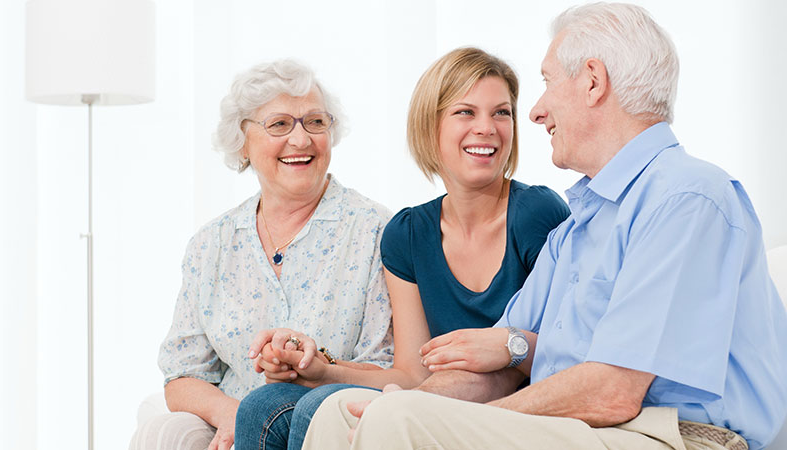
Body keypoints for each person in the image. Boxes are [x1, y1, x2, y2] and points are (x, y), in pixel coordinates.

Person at [302, 3, 787, 450]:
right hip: (586, 426)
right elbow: (500, 364)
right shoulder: (576, 230)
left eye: (548, 82)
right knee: (342, 415)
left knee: (399, 421)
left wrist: (447, 420)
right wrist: (414, 401)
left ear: (593, 81)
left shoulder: (686, 197)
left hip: (675, 434)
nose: (535, 111)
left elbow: (613, 392)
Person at [234, 48, 570, 450]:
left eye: (501, 113)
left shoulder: (536, 214)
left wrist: (503, 349)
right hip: (437, 398)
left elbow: (568, 352)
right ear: (430, 126)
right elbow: (412, 374)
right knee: (262, 405)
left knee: (319, 410)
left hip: (510, 410)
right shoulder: (407, 234)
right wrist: (324, 370)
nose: (487, 128)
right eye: (465, 112)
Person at [128, 60, 394, 450]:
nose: (301, 140)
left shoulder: (375, 230)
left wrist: (315, 368)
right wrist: (234, 417)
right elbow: (182, 373)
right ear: (242, 141)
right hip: (236, 420)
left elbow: (386, 367)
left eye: (315, 122)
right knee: (162, 433)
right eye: (279, 124)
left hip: (329, 422)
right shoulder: (212, 243)